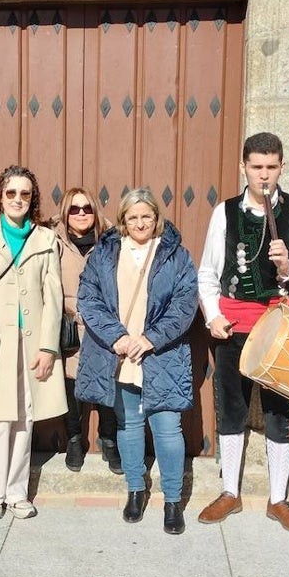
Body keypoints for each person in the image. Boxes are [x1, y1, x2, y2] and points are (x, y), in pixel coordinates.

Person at [196, 132, 289, 533]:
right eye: (257, 167)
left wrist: (288, 267)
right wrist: (212, 315)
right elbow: (208, 273)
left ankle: (278, 500)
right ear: (244, 167)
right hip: (233, 326)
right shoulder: (225, 211)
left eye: (271, 167)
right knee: (231, 408)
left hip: (279, 326)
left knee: (278, 414)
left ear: (281, 168)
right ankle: (230, 492)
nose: (264, 175)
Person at [76, 189, 198, 533]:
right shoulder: (104, 254)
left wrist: (150, 339)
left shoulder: (176, 255)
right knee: (128, 425)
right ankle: (135, 490)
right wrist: (119, 338)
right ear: (123, 221)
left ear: (156, 218)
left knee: (167, 429)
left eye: (146, 216)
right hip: (121, 354)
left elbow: (184, 304)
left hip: (161, 354)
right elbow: (89, 297)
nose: (140, 223)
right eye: (133, 217)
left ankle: (172, 500)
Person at [0, 165, 67, 520]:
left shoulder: (44, 239)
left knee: (26, 416)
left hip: (33, 341)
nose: (18, 200)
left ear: (32, 199)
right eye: (11, 193)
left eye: (25, 194)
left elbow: (53, 296)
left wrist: (49, 346)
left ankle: (17, 491)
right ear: (0, 196)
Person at [53, 187, 122, 474]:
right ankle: (73, 439)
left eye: (87, 208)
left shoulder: (112, 242)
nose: (81, 214)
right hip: (68, 326)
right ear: (65, 214)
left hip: (103, 325)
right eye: (74, 209)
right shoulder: (52, 242)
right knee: (69, 385)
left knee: (108, 381)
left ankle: (108, 439)